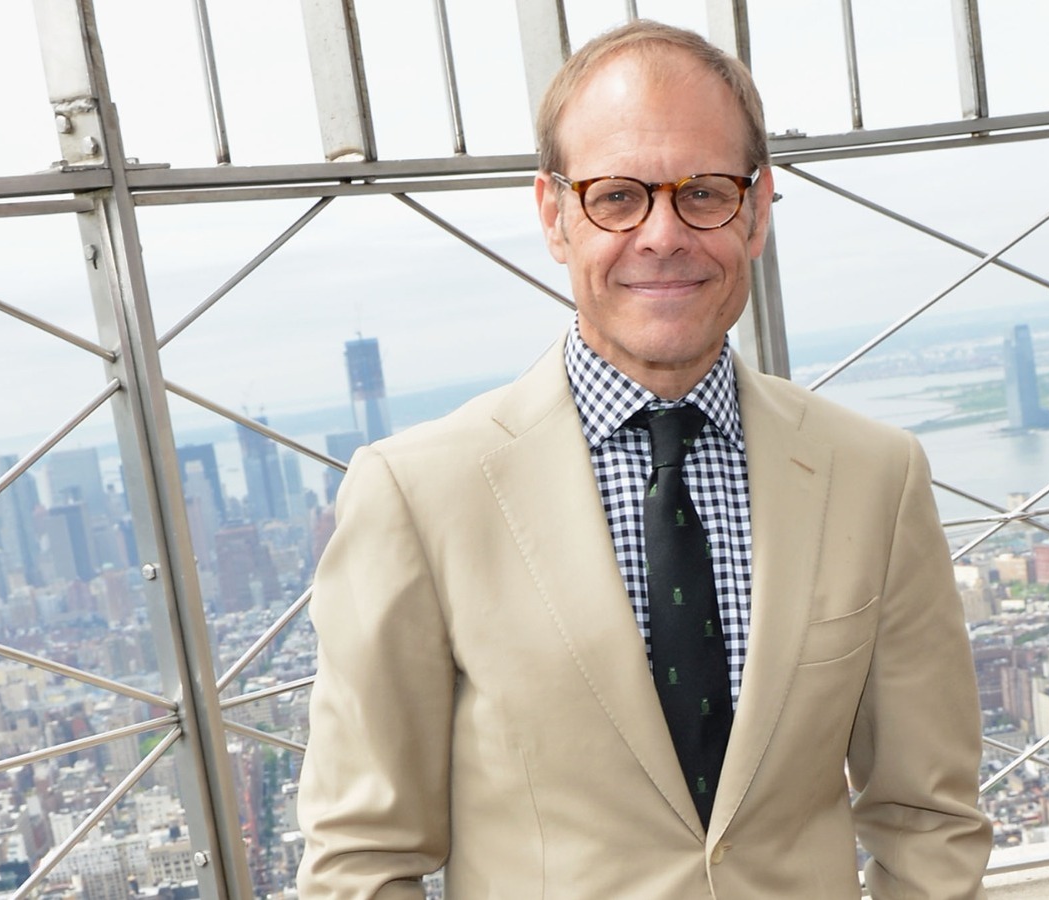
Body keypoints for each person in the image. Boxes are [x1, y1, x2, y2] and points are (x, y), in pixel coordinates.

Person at [295, 19, 991, 899]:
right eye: (617, 197)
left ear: (758, 210)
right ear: (553, 215)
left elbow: (929, 819)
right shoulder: (418, 495)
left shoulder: (875, 477)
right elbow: (362, 861)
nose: (663, 235)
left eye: (704, 192)